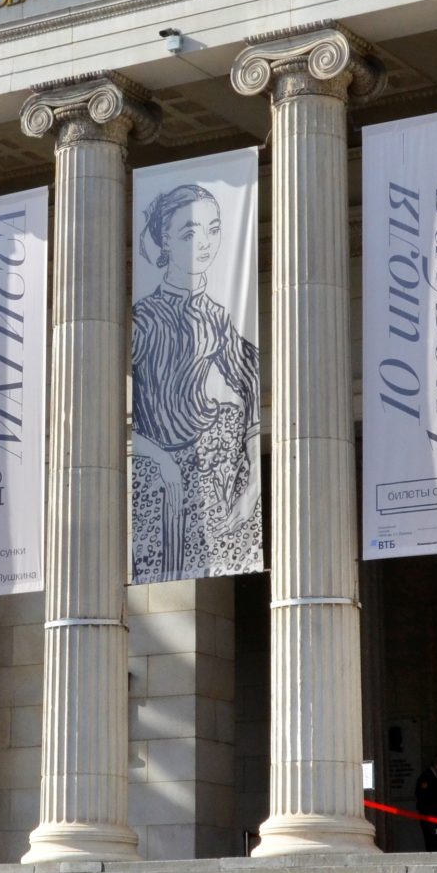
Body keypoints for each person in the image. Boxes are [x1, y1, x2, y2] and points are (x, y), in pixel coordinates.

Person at [130, 183, 261, 582]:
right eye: (190, 233)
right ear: (164, 240)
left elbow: (250, 386)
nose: (205, 244)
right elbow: (109, 413)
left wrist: (254, 479)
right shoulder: (144, 319)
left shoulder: (217, 316)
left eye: (214, 229)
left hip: (212, 461)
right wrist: (161, 459)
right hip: (160, 467)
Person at [413, 756, 437, 852]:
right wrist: (430, 820)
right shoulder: (426, 778)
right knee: (433, 844)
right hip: (431, 819)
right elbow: (424, 799)